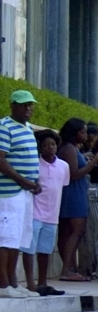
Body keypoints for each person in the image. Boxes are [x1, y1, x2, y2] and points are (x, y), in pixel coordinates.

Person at [0, 89, 37, 300]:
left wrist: (34, 181)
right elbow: (1, 160)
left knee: (18, 238)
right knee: (6, 238)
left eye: (30, 104)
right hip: (9, 191)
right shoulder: (4, 127)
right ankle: (3, 284)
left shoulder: (28, 128)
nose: (28, 108)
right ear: (12, 105)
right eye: (24, 105)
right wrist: (23, 181)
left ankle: (13, 282)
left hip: (25, 192)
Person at [26, 128, 65, 296]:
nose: (50, 147)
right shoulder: (34, 164)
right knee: (29, 248)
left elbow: (62, 186)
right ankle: (30, 283)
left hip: (52, 215)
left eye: (53, 144)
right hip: (35, 213)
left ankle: (43, 282)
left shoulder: (64, 166)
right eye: (46, 145)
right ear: (40, 147)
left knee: (45, 250)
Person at [54, 119, 94, 281]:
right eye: (82, 132)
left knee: (67, 232)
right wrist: (94, 162)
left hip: (69, 193)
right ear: (75, 133)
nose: (85, 135)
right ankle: (67, 269)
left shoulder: (68, 148)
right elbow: (74, 174)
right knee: (76, 231)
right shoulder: (69, 148)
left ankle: (71, 267)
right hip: (74, 194)